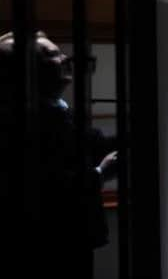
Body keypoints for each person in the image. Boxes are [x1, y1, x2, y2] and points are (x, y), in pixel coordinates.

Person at [0, 31, 118, 279]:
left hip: (73, 236)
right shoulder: (21, 124)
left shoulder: (58, 109)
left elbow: (95, 143)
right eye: (54, 54)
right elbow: (46, 186)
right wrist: (100, 174)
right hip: (51, 240)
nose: (65, 58)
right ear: (29, 71)